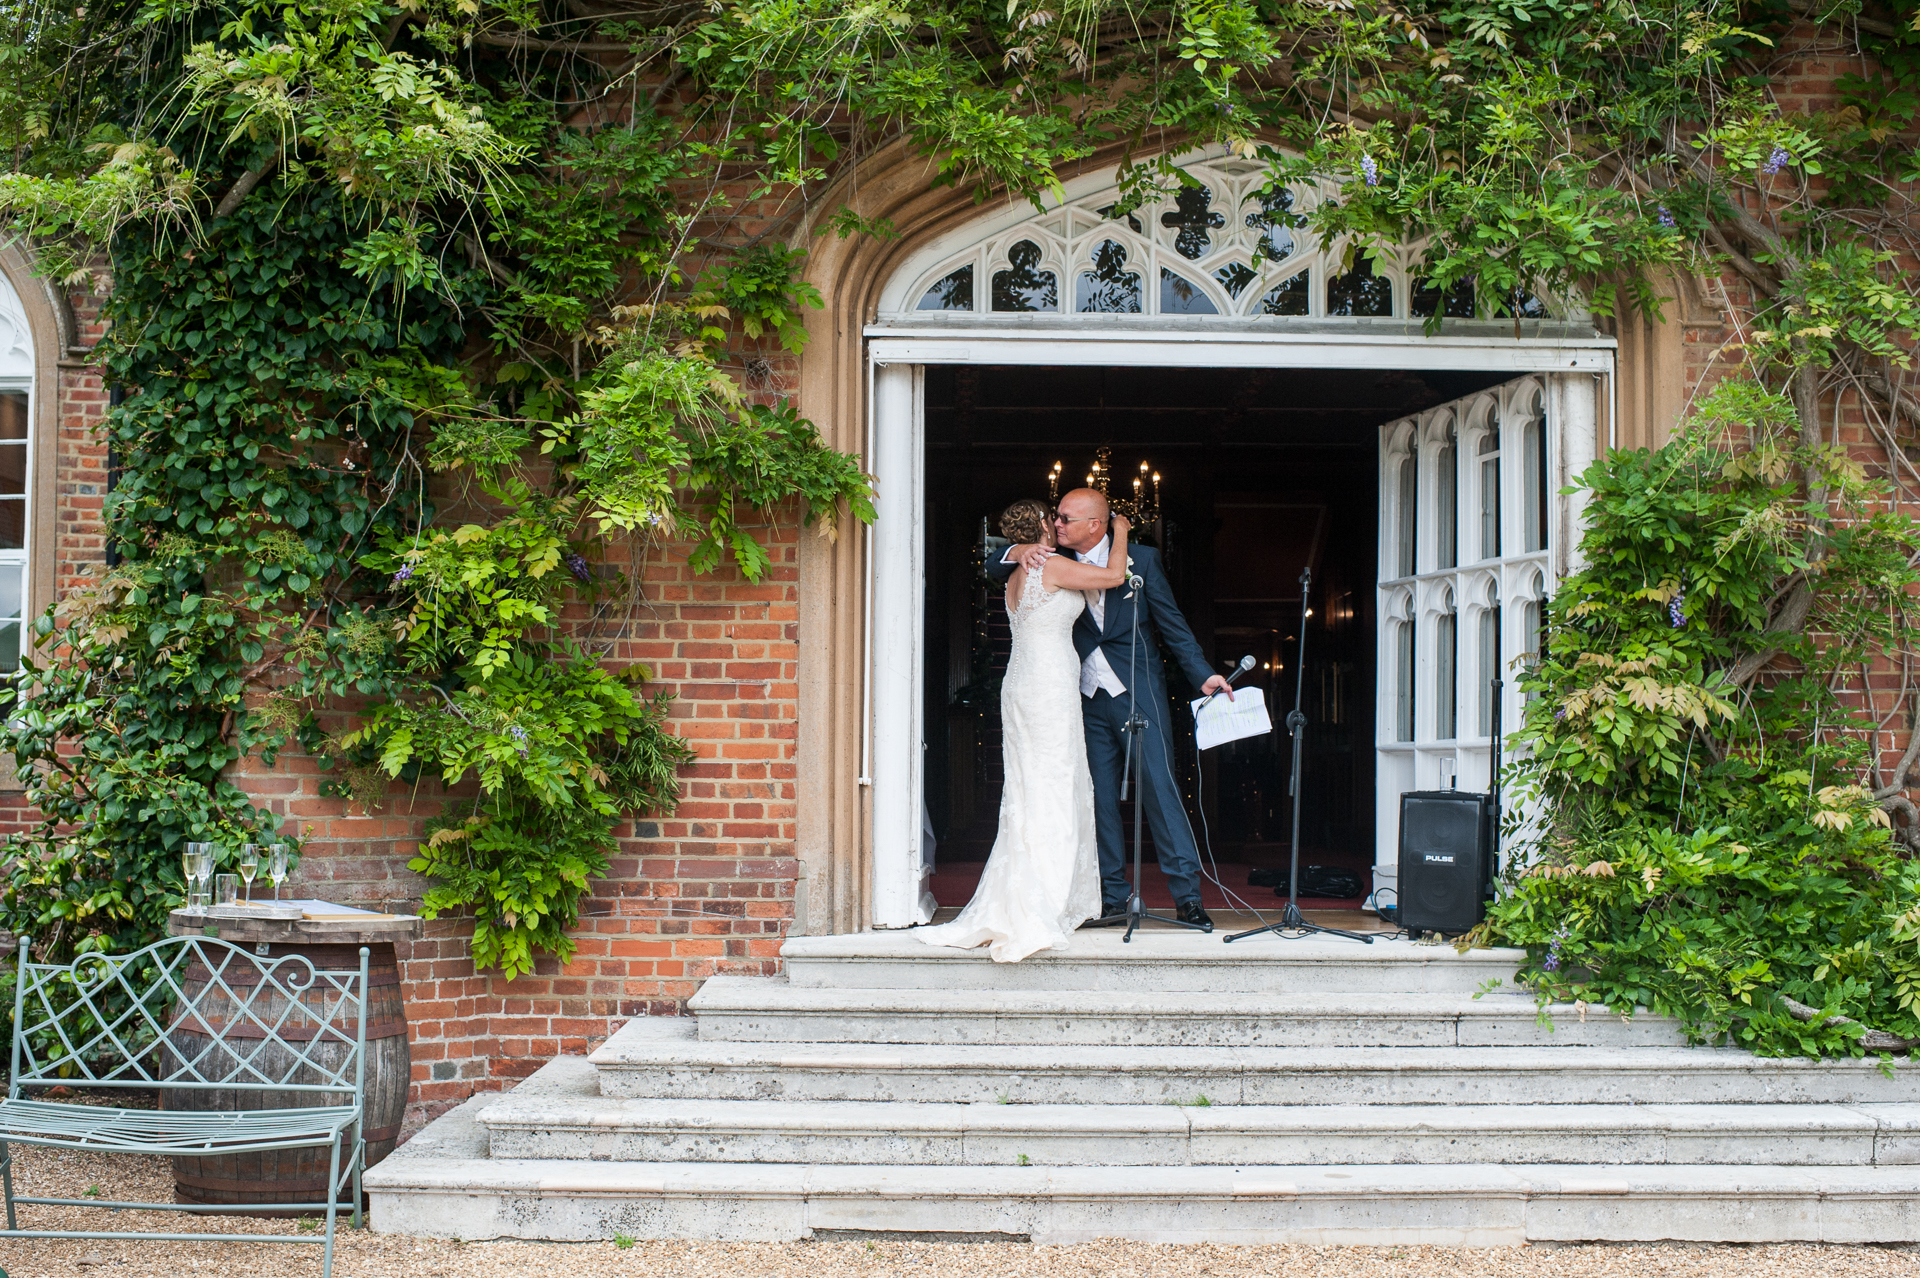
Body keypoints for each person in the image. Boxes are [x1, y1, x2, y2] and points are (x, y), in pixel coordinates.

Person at [988, 487, 1232, 929]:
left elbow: (1172, 624)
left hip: (1138, 691)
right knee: (1097, 797)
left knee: (1161, 790)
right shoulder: (1041, 559)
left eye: (1066, 518)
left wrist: (1203, 674)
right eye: (1055, 519)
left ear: (1094, 525)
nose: (1057, 524)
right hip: (1081, 696)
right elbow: (992, 564)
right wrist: (1021, 547)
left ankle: (1188, 897)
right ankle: (1113, 895)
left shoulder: (1141, 558)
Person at [914, 499, 1134, 961]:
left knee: (1029, 788)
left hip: (1022, 682)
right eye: (1050, 518)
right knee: (1052, 785)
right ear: (1039, 527)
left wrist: (1015, 550)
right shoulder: (1049, 566)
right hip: (1048, 684)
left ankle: (1029, 889)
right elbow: (1114, 577)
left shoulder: (1015, 573)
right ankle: (1045, 899)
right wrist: (1121, 529)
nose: (1057, 524)